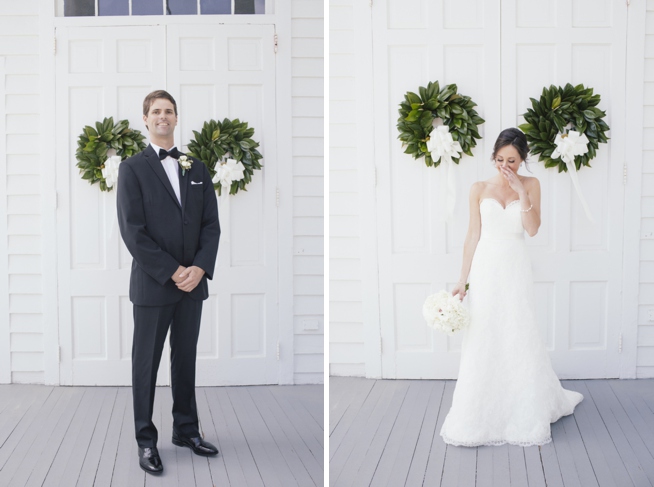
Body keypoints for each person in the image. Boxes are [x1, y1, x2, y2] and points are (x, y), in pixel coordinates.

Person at [440, 128, 583, 447]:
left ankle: (525, 406)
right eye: (501, 159)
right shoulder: (478, 188)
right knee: (485, 330)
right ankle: (480, 407)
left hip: (515, 265)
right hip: (487, 267)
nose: (506, 166)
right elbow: (472, 236)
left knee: (518, 328)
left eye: (513, 161)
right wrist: (462, 281)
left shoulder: (531, 184)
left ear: (523, 160)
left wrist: (520, 191)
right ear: (493, 156)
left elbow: (532, 230)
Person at [117, 90, 221, 473]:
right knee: (145, 365)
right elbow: (133, 231)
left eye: (169, 111)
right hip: (153, 285)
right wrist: (171, 271)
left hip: (193, 285)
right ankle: (146, 441)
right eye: (156, 111)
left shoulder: (196, 167)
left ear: (176, 119)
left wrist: (199, 268)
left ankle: (186, 430)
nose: (163, 117)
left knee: (186, 360)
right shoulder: (131, 168)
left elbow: (211, 225)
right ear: (145, 119)